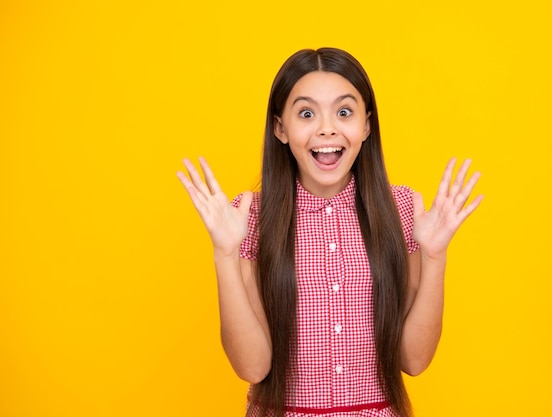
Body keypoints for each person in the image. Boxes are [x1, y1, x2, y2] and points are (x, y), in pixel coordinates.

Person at [176, 48, 483, 417]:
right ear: (280, 128)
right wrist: (225, 253)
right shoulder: (249, 216)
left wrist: (435, 256)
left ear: (366, 126)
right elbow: (252, 367)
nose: (326, 128)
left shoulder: (401, 209)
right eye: (306, 113)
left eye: (344, 112)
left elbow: (414, 360)